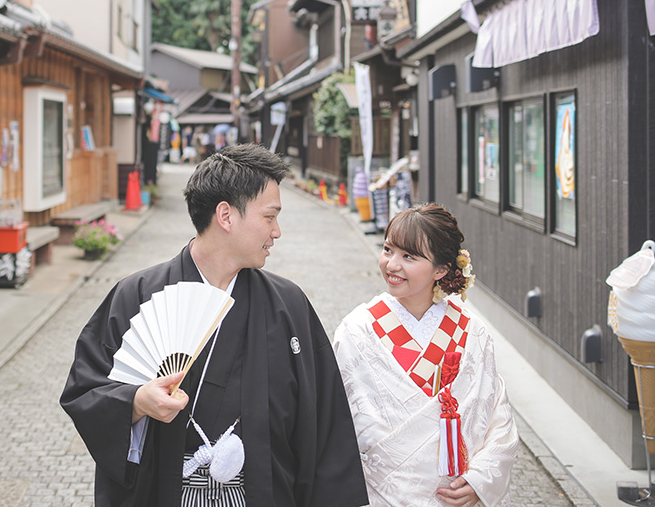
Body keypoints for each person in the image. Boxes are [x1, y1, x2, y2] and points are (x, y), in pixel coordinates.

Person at [61, 144, 368, 507]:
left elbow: (326, 423)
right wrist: (136, 402)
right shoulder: (137, 296)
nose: (278, 231)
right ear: (226, 215)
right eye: (270, 217)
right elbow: (85, 391)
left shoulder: (289, 306)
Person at [333, 204, 519, 507]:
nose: (392, 264)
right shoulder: (356, 329)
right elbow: (335, 417)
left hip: (457, 492)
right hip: (379, 490)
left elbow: (498, 417)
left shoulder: (472, 331)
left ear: (441, 269)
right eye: (388, 249)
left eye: (409, 256)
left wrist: (480, 480)